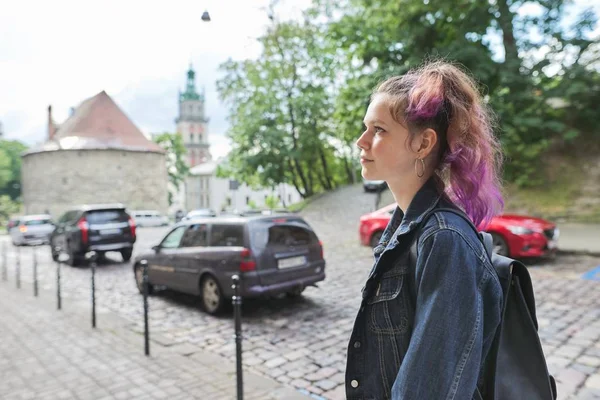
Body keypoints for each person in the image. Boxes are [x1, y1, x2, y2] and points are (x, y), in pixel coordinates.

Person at [346, 60, 505, 399]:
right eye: (365, 128)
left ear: (422, 144)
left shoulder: (444, 239)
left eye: (378, 130)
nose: (361, 141)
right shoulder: (404, 228)